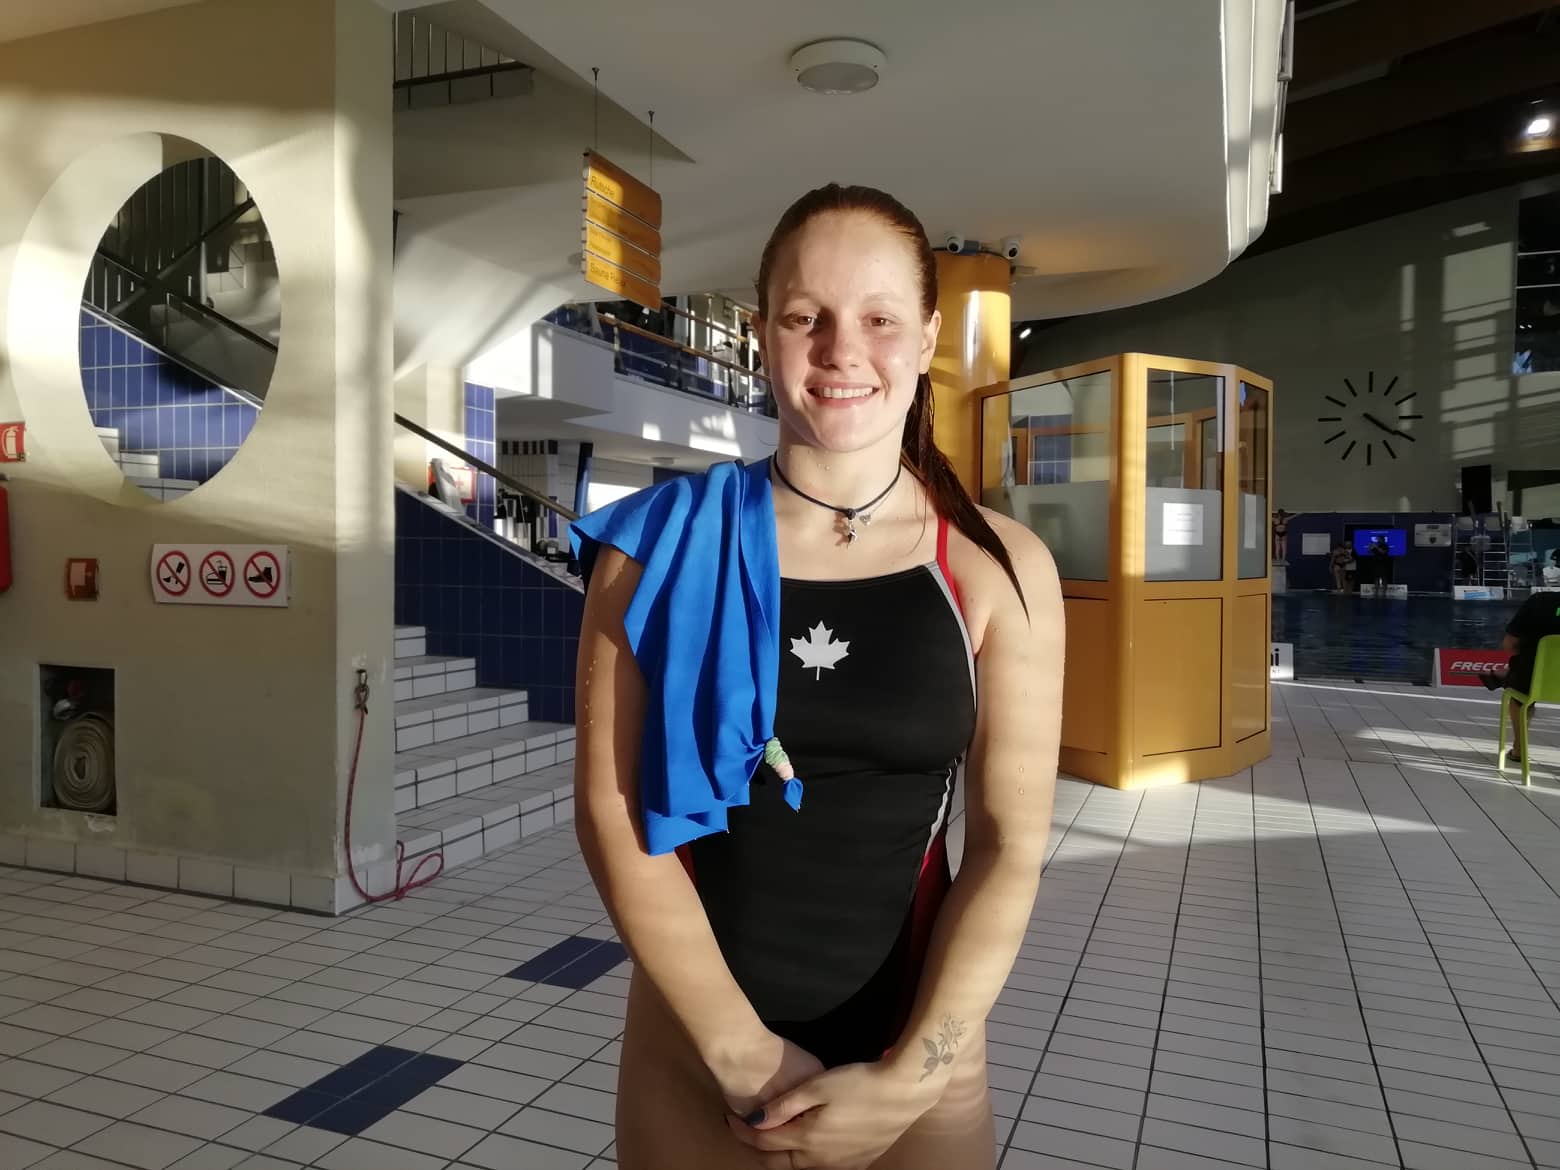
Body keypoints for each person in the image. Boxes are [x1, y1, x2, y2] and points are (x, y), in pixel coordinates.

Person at [571, 183, 1063, 1169]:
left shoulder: (995, 569)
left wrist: (911, 1080)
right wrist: (743, 1057)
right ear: (762, 335)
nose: (843, 351)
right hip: (696, 1059)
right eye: (807, 318)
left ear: (927, 338)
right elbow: (614, 818)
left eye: (880, 319)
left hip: (916, 1069)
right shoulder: (655, 552)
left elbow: (1009, 847)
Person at [1480, 590, 1560, 761]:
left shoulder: (1539, 601)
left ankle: (1519, 749)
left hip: (1534, 679)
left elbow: (1508, 644)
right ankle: (1508, 673)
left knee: (1521, 692)